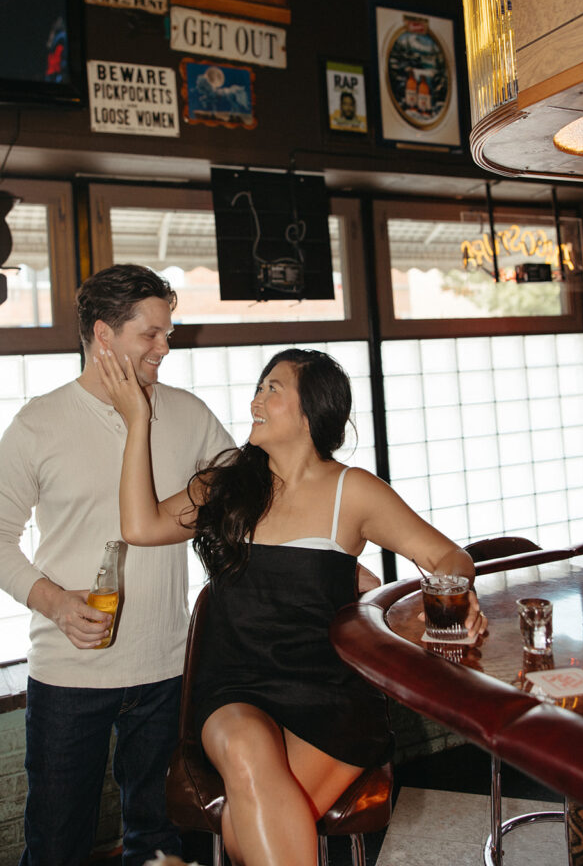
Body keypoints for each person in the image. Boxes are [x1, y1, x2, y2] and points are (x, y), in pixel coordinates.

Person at [95, 346, 487, 866]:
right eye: (259, 387)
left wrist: (450, 600)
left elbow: (446, 555)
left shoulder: (355, 491)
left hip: (332, 694)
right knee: (245, 752)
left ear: (311, 411)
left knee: (252, 820)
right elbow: (139, 527)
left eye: (272, 389)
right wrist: (137, 421)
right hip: (234, 687)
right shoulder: (225, 486)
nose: (256, 399)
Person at [0, 264, 234, 866]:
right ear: (104, 335)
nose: (167, 347)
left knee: (158, 843)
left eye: (169, 332)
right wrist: (55, 602)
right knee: (57, 844)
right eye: (152, 334)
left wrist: (190, 499)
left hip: (166, 667)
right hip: (70, 676)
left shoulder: (187, 413)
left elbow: (241, 474)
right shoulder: (38, 424)